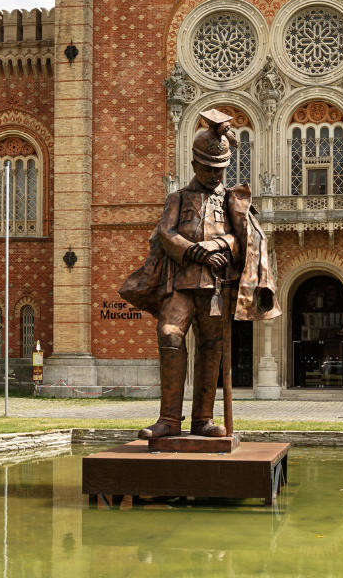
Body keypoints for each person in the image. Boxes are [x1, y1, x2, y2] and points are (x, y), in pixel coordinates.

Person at [119, 108, 280, 439]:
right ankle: (168, 420)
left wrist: (221, 245)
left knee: (212, 346)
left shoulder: (233, 203)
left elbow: (245, 239)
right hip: (180, 282)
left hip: (215, 288)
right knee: (169, 334)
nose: (215, 175)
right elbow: (165, 232)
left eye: (220, 169)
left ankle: (202, 420)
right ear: (195, 165)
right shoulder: (178, 198)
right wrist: (194, 250)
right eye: (209, 169)